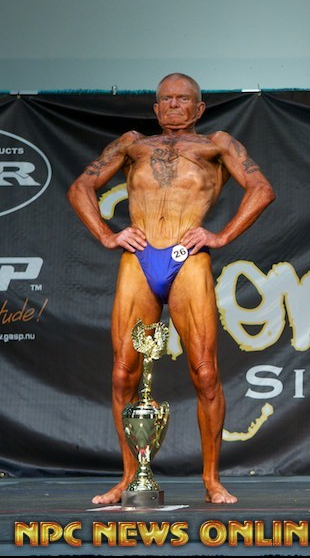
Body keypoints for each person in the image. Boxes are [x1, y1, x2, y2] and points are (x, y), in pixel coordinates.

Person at [68, 73, 275, 504]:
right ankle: (130, 478)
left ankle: (212, 481)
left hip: (188, 258)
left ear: (199, 109)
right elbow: (80, 186)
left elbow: (261, 188)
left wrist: (221, 235)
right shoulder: (132, 144)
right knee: (123, 373)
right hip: (138, 257)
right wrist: (107, 234)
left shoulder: (216, 144)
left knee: (205, 371)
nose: (174, 105)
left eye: (183, 99)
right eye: (166, 99)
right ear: (156, 108)